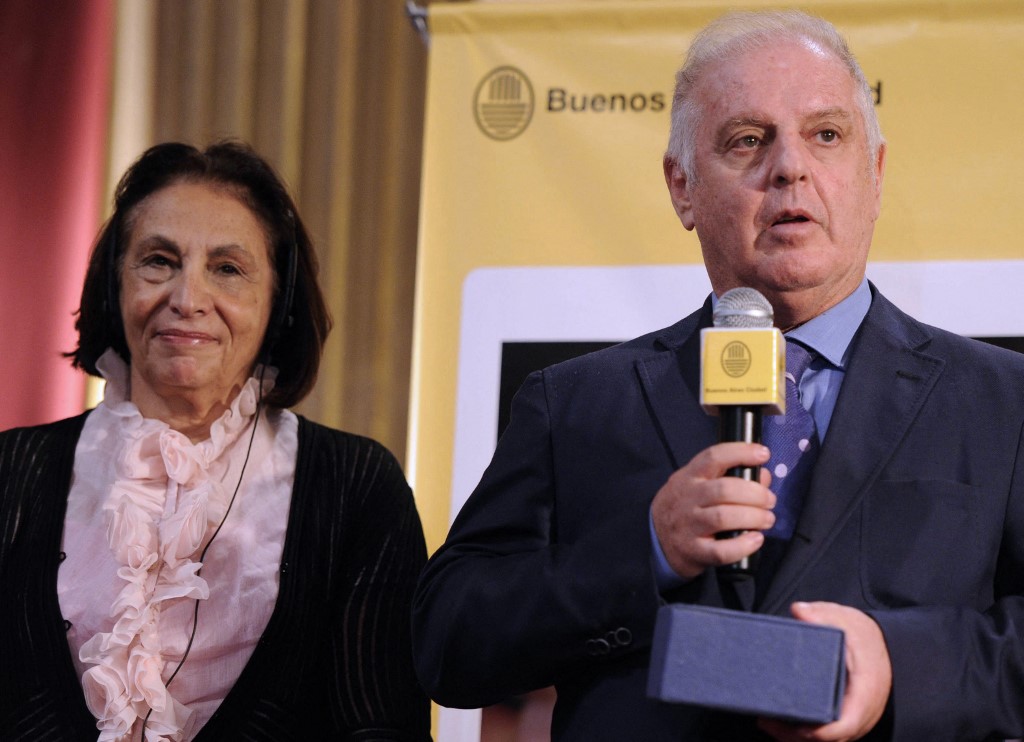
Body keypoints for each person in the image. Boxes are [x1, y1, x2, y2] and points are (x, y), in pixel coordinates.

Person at [411, 9, 1024, 742]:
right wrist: (643, 551)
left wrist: (896, 664)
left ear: (876, 173)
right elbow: (445, 637)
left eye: (826, 135)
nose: (790, 167)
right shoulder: (575, 403)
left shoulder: (1002, 401)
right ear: (683, 189)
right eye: (747, 140)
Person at [0, 141, 431, 741]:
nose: (187, 299)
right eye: (158, 261)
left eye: (227, 269)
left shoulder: (355, 487)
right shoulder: (10, 473)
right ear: (112, 286)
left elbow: (381, 731)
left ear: (277, 303)